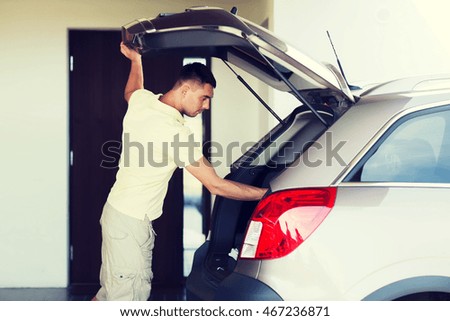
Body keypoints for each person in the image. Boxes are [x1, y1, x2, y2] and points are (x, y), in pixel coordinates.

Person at [92, 42, 268, 301]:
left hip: (116, 214)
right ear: (185, 90)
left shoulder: (145, 102)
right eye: (204, 98)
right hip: (130, 224)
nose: (206, 106)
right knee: (126, 301)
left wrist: (135, 60)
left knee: (109, 294)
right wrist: (268, 194)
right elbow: (216, 186)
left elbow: (132, 91)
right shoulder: (174, 133)